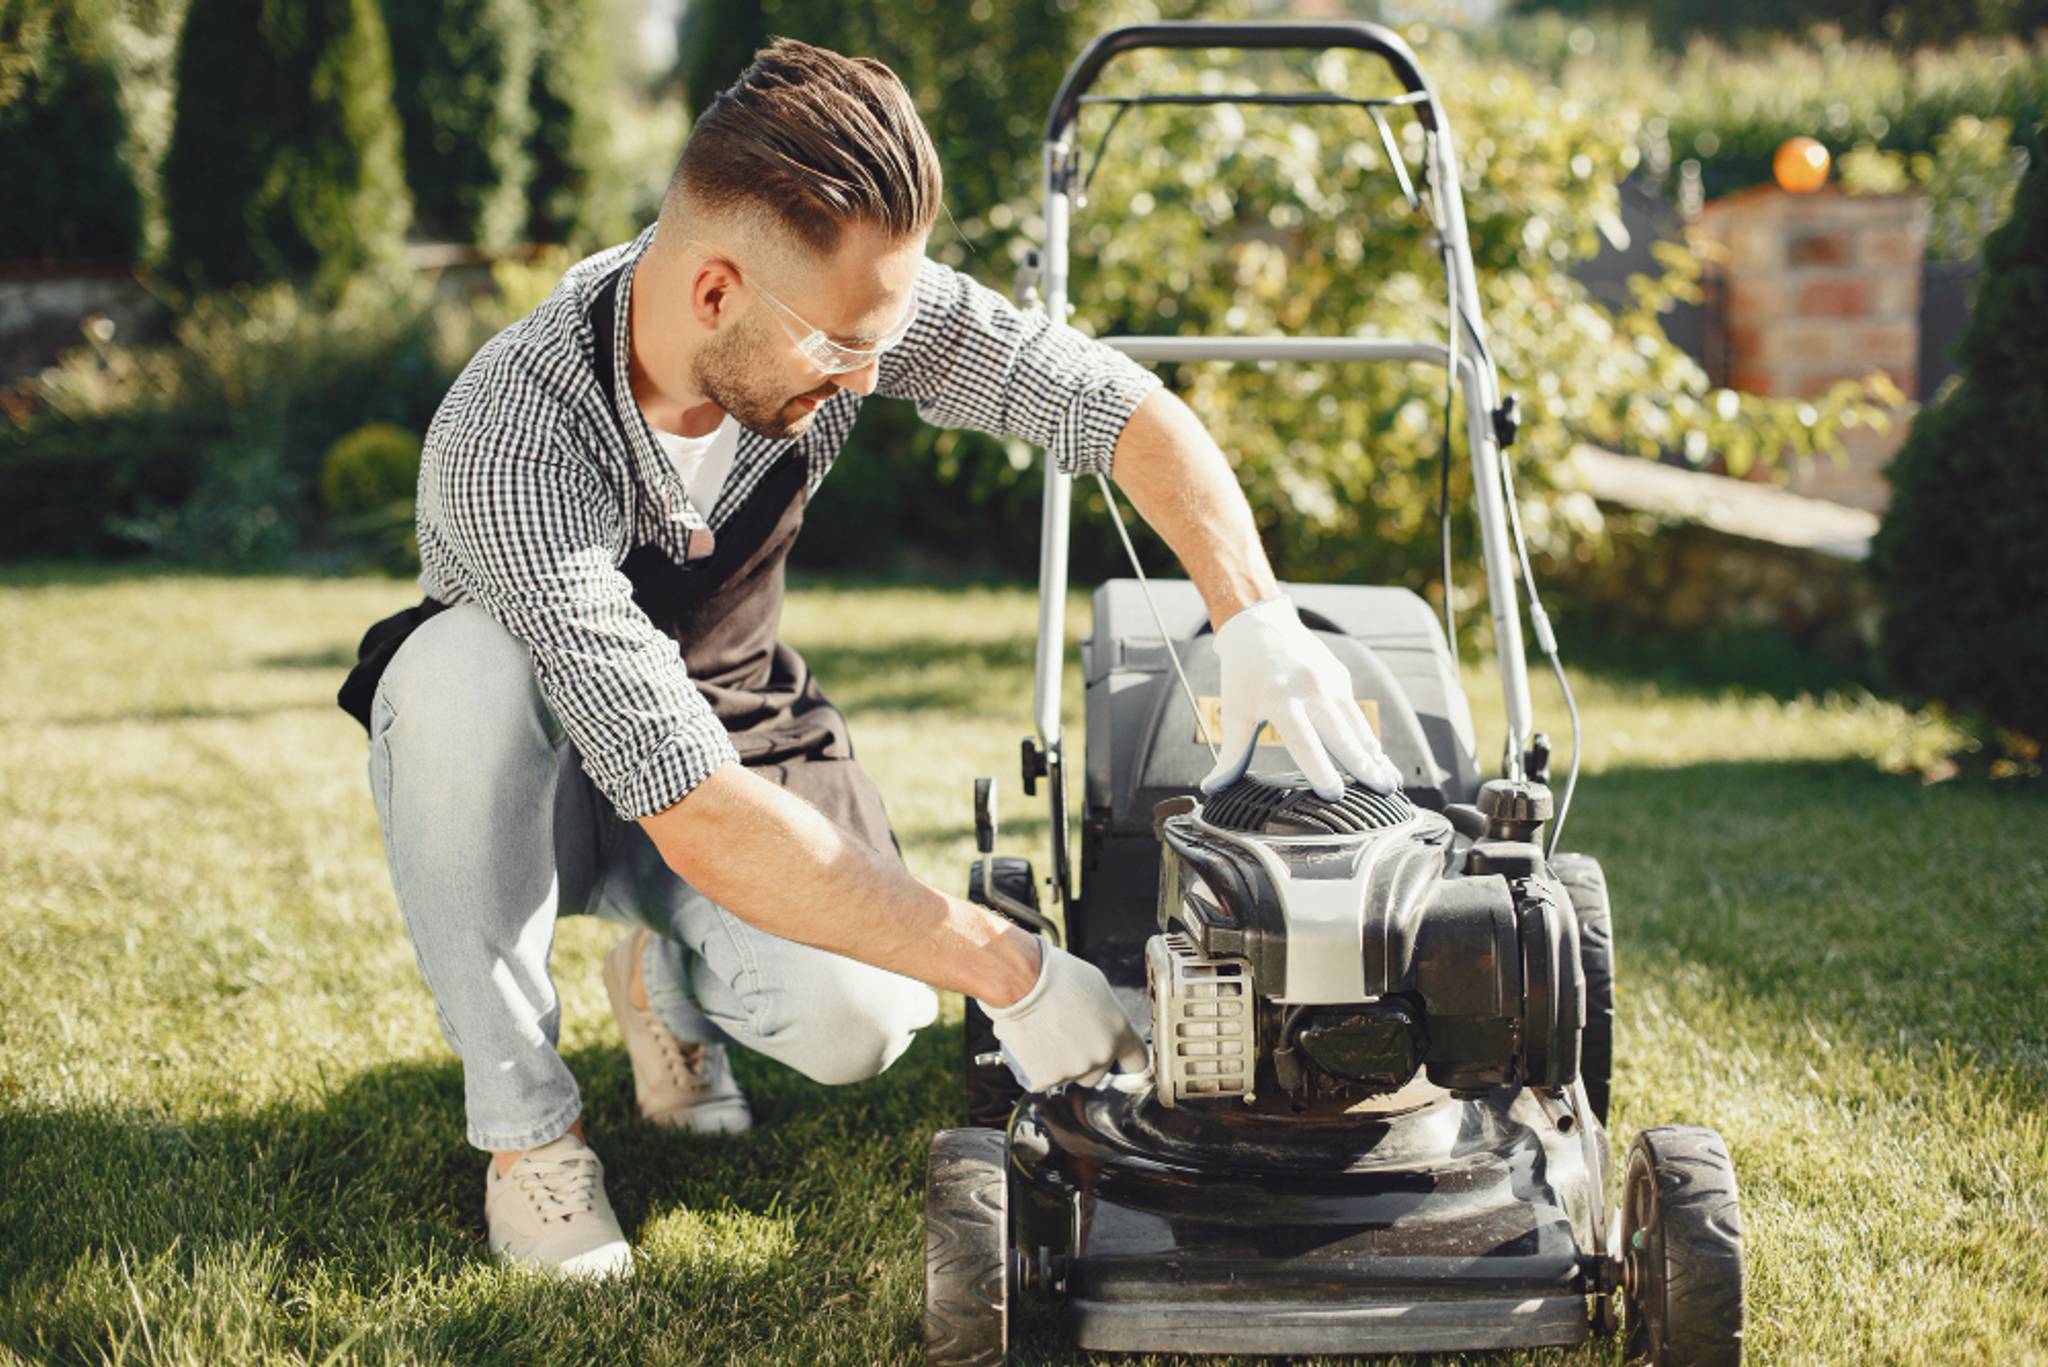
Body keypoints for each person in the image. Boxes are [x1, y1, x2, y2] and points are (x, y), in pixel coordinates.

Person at [337, 36, 1402, 1280]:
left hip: (734, 717)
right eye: (840, 348)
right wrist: (1012, 969)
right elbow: (691, 808)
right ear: (717, 294)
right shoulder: (510, 437)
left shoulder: (844, 307)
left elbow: (1113, 404)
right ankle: (532, 1135)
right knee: (454, 674)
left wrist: (1252, 613)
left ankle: (662, 970)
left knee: (862, 1021)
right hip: (550, 779)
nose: (867, 372)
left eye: (877, 343)